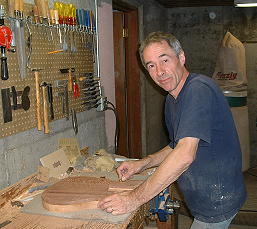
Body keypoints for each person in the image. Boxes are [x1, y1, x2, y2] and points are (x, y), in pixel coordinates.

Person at [98, 31, 246, 229]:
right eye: (151, 65)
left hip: (217, 200)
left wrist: (133, 199)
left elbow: (184, 154)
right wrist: (144, 163)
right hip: (203, 197)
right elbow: (176, 145)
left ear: (181, 57)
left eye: (164, 60)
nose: (160, 71)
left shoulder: (198, 90)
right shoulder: (172, 99)